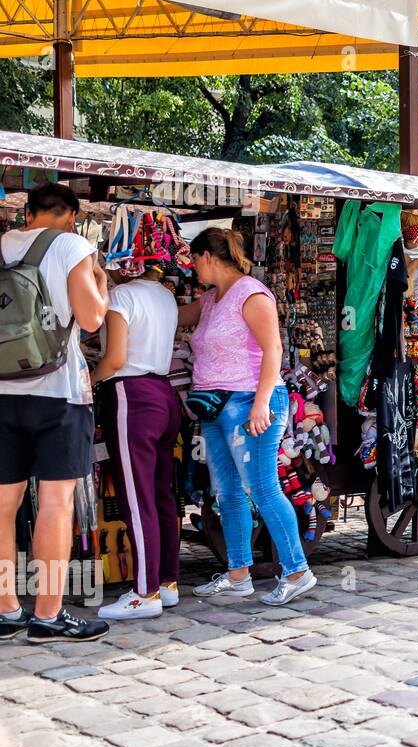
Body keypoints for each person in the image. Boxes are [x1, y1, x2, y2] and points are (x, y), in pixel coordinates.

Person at [0, 183, 110, 643]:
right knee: (56, 501)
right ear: (71, 215)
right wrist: (100, 284)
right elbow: (90, 318)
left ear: (28, 213)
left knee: (3, 504)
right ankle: (47, 614)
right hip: (59, 393)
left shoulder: (3, 244)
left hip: (3, 391)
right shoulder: (71, 245)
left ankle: (6, 608)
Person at [184, 228, 316, 604]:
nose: (192, 268)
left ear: (209, 256)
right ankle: (238, 573)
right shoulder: (210, 299)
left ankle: (297, 571)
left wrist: (261, 404)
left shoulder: (252, 293)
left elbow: (273, 349)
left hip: (250, 402)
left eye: (194, 260)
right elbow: (175, 317)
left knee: (262, 487)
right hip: (215, 404)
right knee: (226, 491)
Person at [90, 264, 181, 620]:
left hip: (132, 394)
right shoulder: (164, 296)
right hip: (163, 391)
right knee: (160, 495)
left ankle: (145, 592)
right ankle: (167, 581)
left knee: (136, 495)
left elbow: (114, 359)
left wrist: (91, 379)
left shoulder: (122, 296)